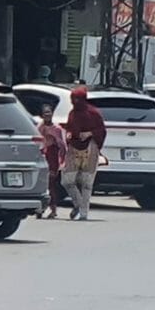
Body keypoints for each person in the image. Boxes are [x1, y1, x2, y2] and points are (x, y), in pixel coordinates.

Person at [61, 87, 106, 221]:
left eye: (78, 99)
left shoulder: (94, 113)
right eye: (73, 99)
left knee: (87, 183)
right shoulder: (72, 113)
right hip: (73, 148)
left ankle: (84, 212)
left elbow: (102, 130)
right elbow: (70, 128)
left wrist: (90, 133)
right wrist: (69, 135)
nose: (75, 101)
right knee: (67, 180)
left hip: (90, 149)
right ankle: (78, 203)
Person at [36, 105, 66, 220]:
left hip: (52, 158)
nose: (47, 115)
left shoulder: (57, 129)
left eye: (49, 113)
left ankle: (53, 210)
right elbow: (37, 142)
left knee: (51, 184)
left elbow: (62, 146)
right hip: (41, 157)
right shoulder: (39, 127)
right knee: (41, 184)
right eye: (45, 113)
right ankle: (40, 209)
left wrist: (61, 161)